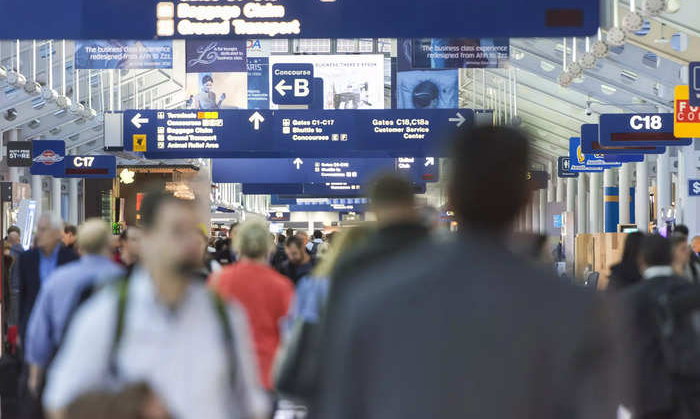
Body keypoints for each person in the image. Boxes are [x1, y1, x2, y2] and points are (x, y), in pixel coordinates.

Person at [312, 126, 624, 419]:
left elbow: (339, 405)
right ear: (527, 196)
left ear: (450, 195)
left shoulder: (371, 297)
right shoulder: (577, 310)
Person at [42, 192, 268, 419]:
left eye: (193, 231)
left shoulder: (224, 316)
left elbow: (251, 406)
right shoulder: (109, 313)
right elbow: (59, 403)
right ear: (147, 239)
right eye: (177, 231)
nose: (190, 241)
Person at [24, 219, 125, 394]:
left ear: (80, 245)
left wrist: (35, 378)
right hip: (114, 382)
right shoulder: (124, 280)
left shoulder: (58, 280)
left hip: (66, 374)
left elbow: (39, 335)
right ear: (109, 245)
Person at [209, 220, 294, 391]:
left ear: (238, 245)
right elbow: (289, 333)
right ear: (268, 247)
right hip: (267, 371)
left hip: (228, 370)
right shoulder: (281, 285)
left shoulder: (219, 280)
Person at [620, 234, 694, 418]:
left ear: (641, 259)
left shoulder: (628, 300)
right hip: (690, 398)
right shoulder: (692, 293)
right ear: (671, 257)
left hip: (647, 399)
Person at [17, 213, 79, 343]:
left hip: (62, 329)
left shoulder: (71, 259)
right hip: (33, 327)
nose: (39, 233)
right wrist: (21, 331)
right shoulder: (26, 259)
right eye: (38, 229)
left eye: (44, 229)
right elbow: (23, 297)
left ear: (57, 233)